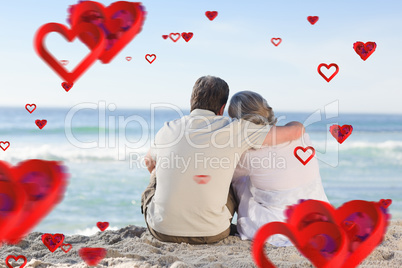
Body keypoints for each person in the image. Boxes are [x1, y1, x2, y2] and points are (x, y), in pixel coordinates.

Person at [141, 76, 305, 244]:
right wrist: (297, 123)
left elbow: (148, 162)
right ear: (222, 108)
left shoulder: (167, 129)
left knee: (157, 171)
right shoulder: (236, 128)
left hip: (161, 231)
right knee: (226, 176)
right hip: (213, 233)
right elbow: (295, 132)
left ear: (191, 101)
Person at [228, 91, 329, 246]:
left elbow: (229, 178)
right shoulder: (300, 135)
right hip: (320, 215)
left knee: (238, 180)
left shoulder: (247, 154)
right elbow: (297, 127)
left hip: (280, 223)